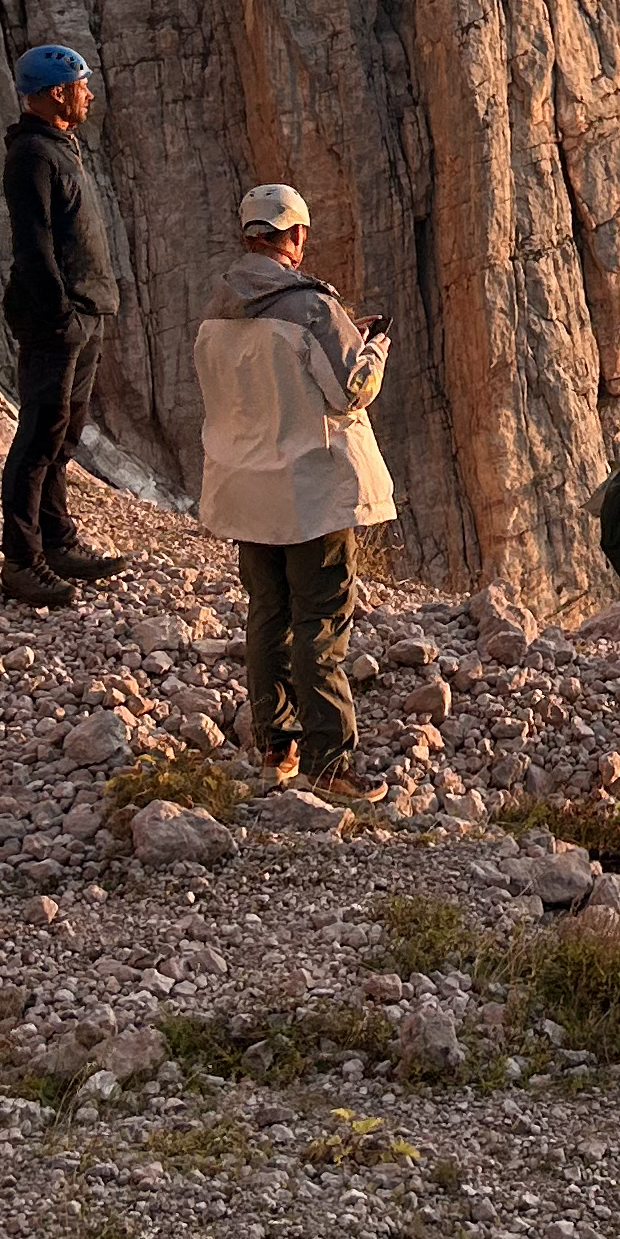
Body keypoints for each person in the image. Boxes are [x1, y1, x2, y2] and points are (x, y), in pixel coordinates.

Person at [196, 184, 395, 798]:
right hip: (311, 492)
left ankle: (274, 747)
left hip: (245, 490)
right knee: (320, 623)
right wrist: (373, 348)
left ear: (248, 234)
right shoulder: (312, 307)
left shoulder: (216, 306)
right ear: (295, 236)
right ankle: (330, 762)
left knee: (267, 616)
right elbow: (350, 390)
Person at [0, 45, 128, 610]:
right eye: (81, 83)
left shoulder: (57, 147)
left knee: (64, 435)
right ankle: (23, 562)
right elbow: (33, 246)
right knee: (38, 438)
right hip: (61, 321)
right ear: (57, 92)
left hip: (85, 314)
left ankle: (57, 541)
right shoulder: (31, 154)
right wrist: (61, 317)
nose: (89, 93)